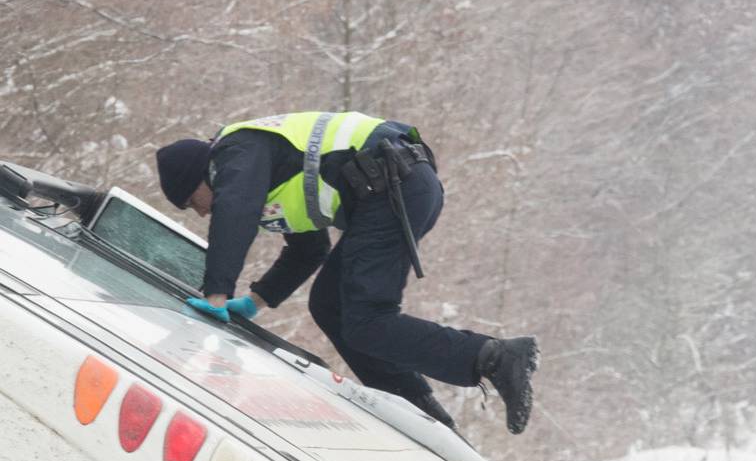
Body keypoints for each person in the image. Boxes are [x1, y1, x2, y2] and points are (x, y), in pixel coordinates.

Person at [155, 109, 539, 433]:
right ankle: (421, 414)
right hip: (393, 188)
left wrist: (216, 294)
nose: (201, 212)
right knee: (329, 305)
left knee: (367, 319)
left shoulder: (236, 151)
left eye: (192, 202)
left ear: (200, 176)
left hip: (393, 184)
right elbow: (309, 249)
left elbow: (233, 213)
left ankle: (494, 357)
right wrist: (254, 302)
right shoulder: (264, 170)